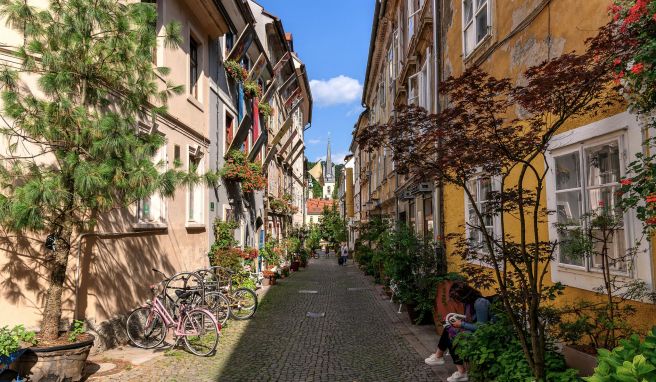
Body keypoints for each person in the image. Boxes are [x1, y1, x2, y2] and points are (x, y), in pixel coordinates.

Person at [424, 281, 491, 382]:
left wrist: (462, 324)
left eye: (459, 299)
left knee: (454, 336)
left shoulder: (480, 303)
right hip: (476, 330)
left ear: (465, 296)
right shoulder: (470, 302)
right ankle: (442, 358)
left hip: (485, 335)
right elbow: (472, 319)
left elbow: (482, 327)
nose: (459, 302)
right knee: (450, 329)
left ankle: (458, 369)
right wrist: (459, 323)